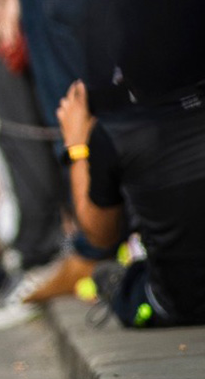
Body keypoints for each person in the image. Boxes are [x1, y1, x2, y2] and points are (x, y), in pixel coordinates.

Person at [58, 80, 205, 328]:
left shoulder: (119, 129)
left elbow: (99, 235)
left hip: (178, 303)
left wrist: (78, 147)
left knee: (109, 278)